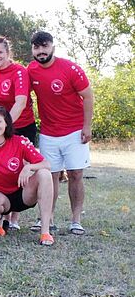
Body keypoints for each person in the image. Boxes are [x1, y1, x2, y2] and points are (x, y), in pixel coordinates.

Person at [27, 31, 94, 235]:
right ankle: (48, 218)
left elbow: (88, 97)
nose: (41, 51)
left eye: (44, 46)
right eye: (37, 47)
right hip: (48, 132)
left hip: (74, 132)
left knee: (75, 174)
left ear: (53, 47)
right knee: (49, 176)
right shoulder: (31, 70)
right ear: (32, 49)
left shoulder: (70, 68)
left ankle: (76, 220)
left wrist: (87, 126)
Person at [0, 104, 55, 246]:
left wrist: (29, 167)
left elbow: (47, 165)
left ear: (6, 123)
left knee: (44, 174)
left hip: (23, 194)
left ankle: (45, 232)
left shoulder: (20, 141)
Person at [0, 36, 37, 230]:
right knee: (2, 169)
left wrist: (5, 127)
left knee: (20, 169)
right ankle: (1, 216)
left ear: (8, 53)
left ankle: (14, 219)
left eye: (0, 52)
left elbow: (21, 102)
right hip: (1, 126)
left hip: (22, 125)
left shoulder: (19, 71)